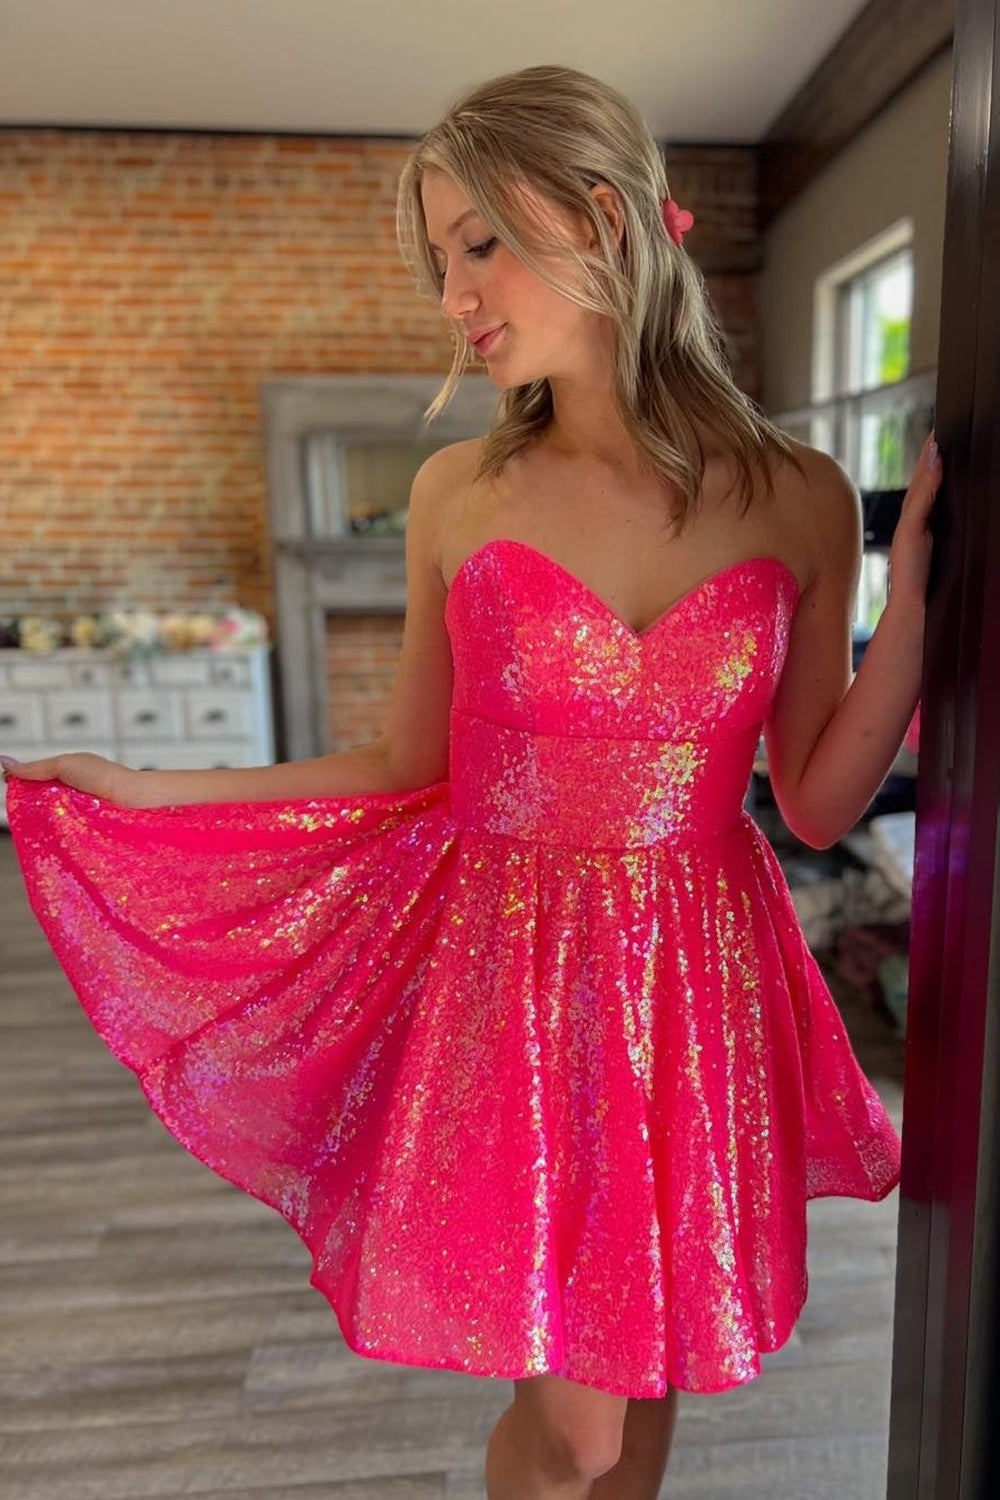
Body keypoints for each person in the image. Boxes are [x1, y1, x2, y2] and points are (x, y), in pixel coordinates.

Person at [2, 63, 940, 1500]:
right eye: (439, 261)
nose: (453, 296)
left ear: (602, 218)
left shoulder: (798, 493)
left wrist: (915, 608)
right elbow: (402, 765)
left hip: (694, 985)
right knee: (572, 1431)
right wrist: (149, 789)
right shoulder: (461, 493)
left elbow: (812, 801)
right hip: (517, 983)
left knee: (643, 1369)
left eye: (478, 243)